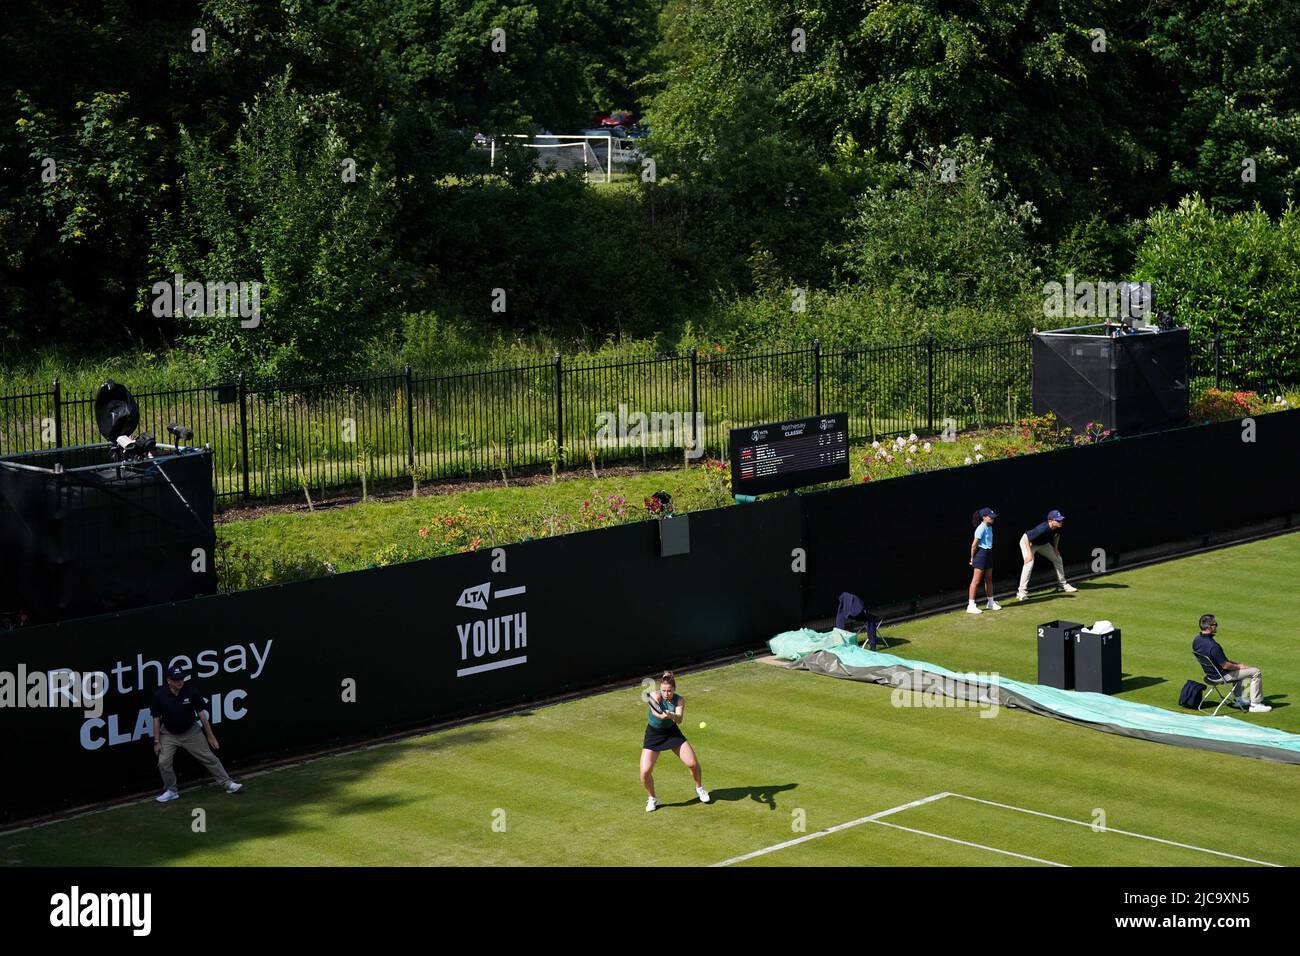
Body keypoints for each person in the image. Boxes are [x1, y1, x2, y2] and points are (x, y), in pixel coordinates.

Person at [151, 664, 243, 802]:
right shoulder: (159, 696)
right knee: (163, 762)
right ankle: (171, 790)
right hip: (168, 734)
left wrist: (210, 736)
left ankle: (228, 784)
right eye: (176, 679)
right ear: (168, 680)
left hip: (191, 732)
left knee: (209, 758)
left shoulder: (191, 691)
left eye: (181, 679)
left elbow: (202, 715)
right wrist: (157, 741)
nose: (180, 682)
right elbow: (156, 719)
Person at [640, 671, 710, 811]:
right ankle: (652, 798)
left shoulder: (679, 700)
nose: (666, 694)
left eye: (669, 691)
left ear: (674, 689)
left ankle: (699, 789)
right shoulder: (655, 696)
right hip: (654, 735)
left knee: (693, 764)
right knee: (645, 772)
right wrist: (663, 715)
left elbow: (679, 720)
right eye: (664, 690)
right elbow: (656, 714)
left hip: (672, 733)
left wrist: (671, 715)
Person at [1193, 614, 1271, 713]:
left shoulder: (1196, 640)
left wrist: (1237, 665)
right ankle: (1256, 704)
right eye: (1215, 624)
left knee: (1239, 669)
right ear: (1209, 627)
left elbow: (1221, 661)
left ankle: (1239, 699)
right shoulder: (1213, 646)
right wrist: (1240, 666)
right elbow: (1226, 665)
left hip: (1210, 675)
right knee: (1256, 672)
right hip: (1221, 676)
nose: (1216, 626)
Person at [1016, 509, 1079, 601]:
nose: (1060, 522)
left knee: (1058, 558)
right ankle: (1021, 592)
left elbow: (1057, 536)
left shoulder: (1059, 527)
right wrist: (1029, 554)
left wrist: (1055, 548)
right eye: (1058, 520)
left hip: (1043, 544)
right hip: (1028, 543)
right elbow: (1026, 537)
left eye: (1061, 520)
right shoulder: (1042, 528)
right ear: (1051, 521)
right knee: (1029, 564)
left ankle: (1062, 585)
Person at [967, 507, 1001, 614]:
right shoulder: (980, 529)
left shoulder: (990, 527)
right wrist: (972, 558)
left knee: (989, 579)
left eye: (993, 517)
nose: (992, 519)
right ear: (984, 517)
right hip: (981, 555)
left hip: (989, 554)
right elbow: (974, 546)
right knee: (976, 581)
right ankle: (971, 605)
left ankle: (990, 602)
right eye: (990, 517)